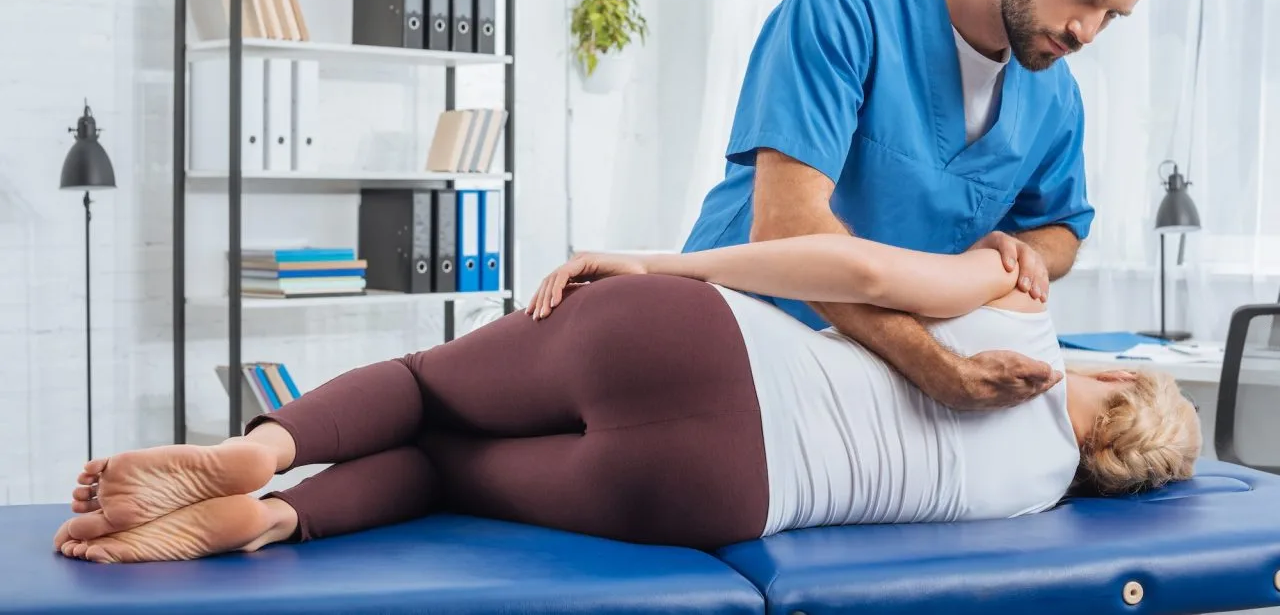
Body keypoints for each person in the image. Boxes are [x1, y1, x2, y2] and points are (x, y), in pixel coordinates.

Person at [52, 235, 1199, 564]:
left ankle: (266, 445)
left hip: (693, 346)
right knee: (449, 464)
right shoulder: (1038, 496)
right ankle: (278, 517)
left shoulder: (1020, 307)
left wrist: (658, 266)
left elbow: (847, 274)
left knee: (418, 385)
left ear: (1112, 380)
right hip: (712, 494)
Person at [682, 0, 1166, 412]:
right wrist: (935, 367)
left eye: (1110, 15)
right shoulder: (844, 7)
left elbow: (1060, 229)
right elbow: (785, 227)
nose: (1086, 31)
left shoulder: (1054, 96)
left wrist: (1013, 256)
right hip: (738, 342)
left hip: (873, 380)